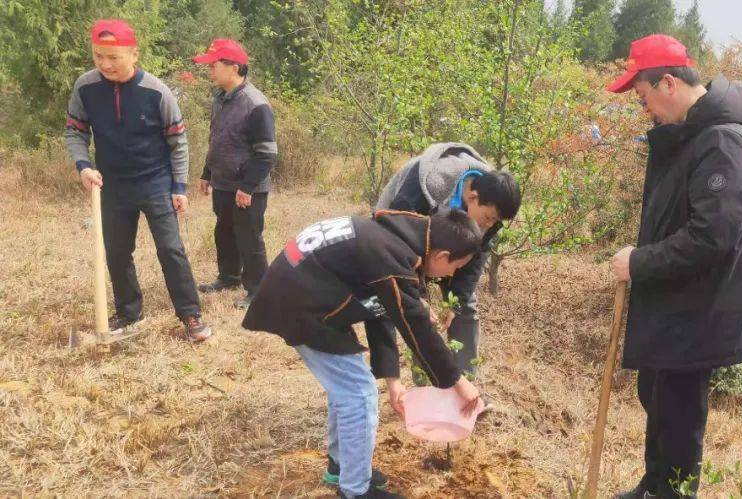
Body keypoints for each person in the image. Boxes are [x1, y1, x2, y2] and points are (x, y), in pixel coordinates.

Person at [607, 34, 742, 498]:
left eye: (642, 96)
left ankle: (672, 492)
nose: (643, 107)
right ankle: (654, 484)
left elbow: (713, 237)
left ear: (667, 82)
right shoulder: (691, 134)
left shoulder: (721, 140)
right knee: (658, 394)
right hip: (678, 299)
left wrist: (641, 262)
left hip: (702, 306)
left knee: (679, 409)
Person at [241, 209, 486, 499]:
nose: (453, 274)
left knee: (347, 388)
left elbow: (380, 307)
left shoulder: (394, 237)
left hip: (306, 295)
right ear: (442, 256)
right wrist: (458, 382)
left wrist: (393, 381)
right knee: (359, 393)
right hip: (301, 306)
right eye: (456, 267)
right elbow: (415, 327)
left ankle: (341, 466)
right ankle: (355, 490)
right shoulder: (391, 254)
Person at [64, 19, 210, 342]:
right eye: (98, 56)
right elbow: (75, 130)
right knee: (116, 251)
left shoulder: (157, 92)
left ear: (134, 54)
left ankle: (190, 315)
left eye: (113, 57)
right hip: (111, 184)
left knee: (171, 249)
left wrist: (179, 187)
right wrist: (83, 166)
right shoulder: (85, 87)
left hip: (155, 182)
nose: (105, 64)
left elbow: (178, 142)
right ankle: (129, 312)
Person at [373, 143, 521, 380]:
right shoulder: (426, 187)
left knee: (465, 307)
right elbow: (400, 241)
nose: (489, 226)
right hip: (399, 234)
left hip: (444, 239)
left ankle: (466, 383)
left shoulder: (491, 207)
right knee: (416, 312)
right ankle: (426, 382)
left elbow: (476, 256)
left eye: (495, 222)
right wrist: (419, 296)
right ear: (472, 196)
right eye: (487, 219)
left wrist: (456, 302)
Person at [192, 38, 277, 309]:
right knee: (224, 231)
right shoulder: (220, 99)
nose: (209, 70)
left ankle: (259, 291)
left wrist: (248, 187)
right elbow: (217, 139)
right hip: (223, 183)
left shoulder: (256, 104)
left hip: (247, 187)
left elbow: (267, 153)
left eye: (213, 65)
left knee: (249, 237)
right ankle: (228, 278)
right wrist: (207, 172)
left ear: (234, 67)